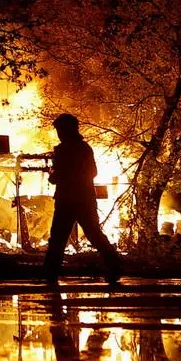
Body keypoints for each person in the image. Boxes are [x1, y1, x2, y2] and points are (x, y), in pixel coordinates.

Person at [44, 113, 121, 285]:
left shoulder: (65, 150)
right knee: (90, 234)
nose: (59, 133)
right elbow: (92, 172)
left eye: (60, 129)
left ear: (67, 130)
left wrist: (59, 176)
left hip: (69, 200)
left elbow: (61, 176)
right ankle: (115, 264)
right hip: (83, 199)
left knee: (59, 237)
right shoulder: (83, 148)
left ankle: (50, 272)